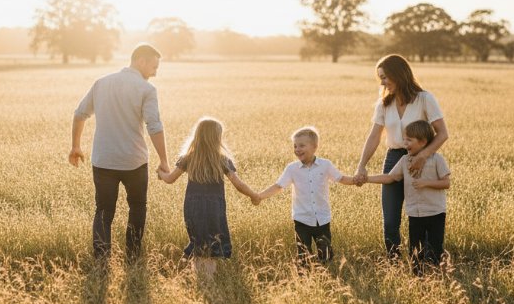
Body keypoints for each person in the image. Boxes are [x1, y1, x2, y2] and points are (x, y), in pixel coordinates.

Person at [70, 43, 169, 259]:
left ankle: (101, 260)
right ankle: (132, 257)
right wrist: (164, 160)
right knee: (137, 207)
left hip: (103, 160)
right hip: (134, 161)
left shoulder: (101, 83)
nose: (155, 73)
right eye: (153, 67)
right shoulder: (147, 89)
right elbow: (154, 126)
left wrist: (76, 146)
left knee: (104, 210)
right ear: (141, 61)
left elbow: (79, 114)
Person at [353, 54, 449, 258]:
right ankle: (393, 262)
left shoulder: (425, 99)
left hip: (424, 160)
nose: (383, 82)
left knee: (423, 216)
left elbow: (442, 133)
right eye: (380, 78)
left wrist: (423, 156)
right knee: (390, 220)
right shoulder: (384, 104)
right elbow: (374, 136)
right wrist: (362, 165)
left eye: (386, 76)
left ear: (400, 74)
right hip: (394, 158)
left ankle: (426, 262)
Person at [158, 117, 258, 277]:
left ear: (197, 136)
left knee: (198, 240)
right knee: (213, 241)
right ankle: (208, 279)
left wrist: (161, 173)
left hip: (193, 207)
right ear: (217, 138)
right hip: (215, 208)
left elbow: (170, 179)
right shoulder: (222, 160)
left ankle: (200, 278)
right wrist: (254, 195)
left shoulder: (189, 157)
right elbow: (238, 184)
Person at [254, 126, 355, 264]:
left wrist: (357, 180)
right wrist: (260, 196)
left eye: (302, 145)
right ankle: (305, 279)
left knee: (325, 255)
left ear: (314, 147)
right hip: (301, 219)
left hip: (322, 219)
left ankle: (326, 277)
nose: (297, 149)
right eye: (295, 146)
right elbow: (278, 186)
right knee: (303, 256)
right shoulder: (292, 169)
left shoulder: (325, 165)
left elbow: (341, 178)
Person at [366, 120, 451, 274]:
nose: (404, 143)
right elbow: (390, 178)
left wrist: (425, 183)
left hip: (435, 213)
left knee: (435, 248)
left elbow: (446, 183)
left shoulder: (437, 159)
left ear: (423, 142)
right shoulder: (405, 160)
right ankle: (417, 278)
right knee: (415, 250)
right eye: (404, 139)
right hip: (414, 213)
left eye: (409, 140)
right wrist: (367, 179)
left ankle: (436, 277)